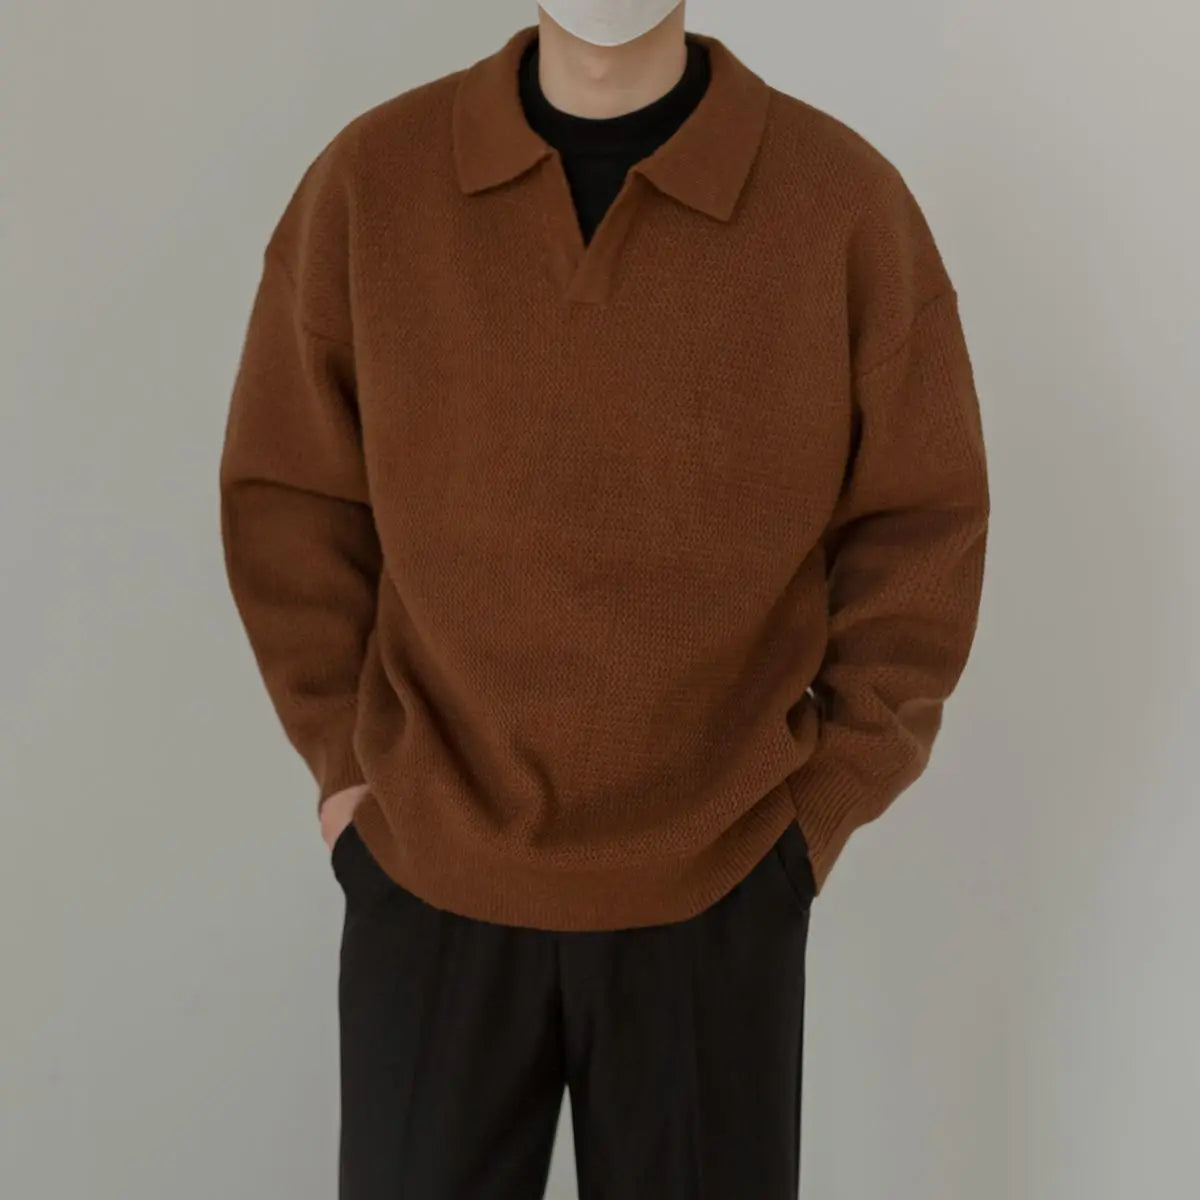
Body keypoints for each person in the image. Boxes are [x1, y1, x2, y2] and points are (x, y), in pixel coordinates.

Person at [217, 1, 990, 1196]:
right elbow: (290, 493)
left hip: (720, 878)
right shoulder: (372, 182)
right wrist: (345, 771)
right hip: (427, 867)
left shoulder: (841, 202)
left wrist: (816, 812)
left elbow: (922, 519)